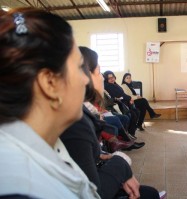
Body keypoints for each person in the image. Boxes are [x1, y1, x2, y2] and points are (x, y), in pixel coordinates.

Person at [0, 8, 99, 198]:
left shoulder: (44, 144)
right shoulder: (21, 190)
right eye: (79, 67)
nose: (86, 80)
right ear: (50, 83)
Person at [61, 47, 166, 199]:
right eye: (99, 72)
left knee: (149, 193)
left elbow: (84, 157)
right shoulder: (76, 122)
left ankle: (127, 137)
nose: (103, 78)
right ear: (84, 77)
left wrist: (102, 155)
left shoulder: (80, 111)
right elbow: (94, 192)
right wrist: (121, 165)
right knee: (150, 195)